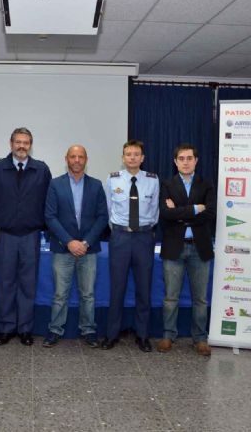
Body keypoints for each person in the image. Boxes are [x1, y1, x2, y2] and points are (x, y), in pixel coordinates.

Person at [0, 127, 52, 346]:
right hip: (4, 236)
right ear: (11, 143)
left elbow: (48, 204)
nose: (22, 146)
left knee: (28, 284)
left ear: (31, 145)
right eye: (18, 142)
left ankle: (25, 329)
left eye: (26, 142)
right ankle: (5, 328)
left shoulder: (41, 170)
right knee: (5, 283)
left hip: (31, 236)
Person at [42, 145, 108, 348]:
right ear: (67, 159)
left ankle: (88, 330)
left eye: (81, 156)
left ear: (86, 159)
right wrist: (69, 242)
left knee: (87, 294)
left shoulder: (96, 185)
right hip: (63, 249)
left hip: (89, 249)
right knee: (60, 294)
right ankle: (55, 330)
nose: (77, 160)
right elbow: (50, 216)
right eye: (73, 156)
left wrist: (85, 242)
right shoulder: (55, 184)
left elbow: (102, 217)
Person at [158, 144, 216, 356]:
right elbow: (165, 214)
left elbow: (209, 214)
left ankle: (200, 338)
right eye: (181, 158)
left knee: (200, 299)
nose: (185, 161)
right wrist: (193, 209)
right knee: (170, 297)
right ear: (175, 162)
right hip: (174, 247)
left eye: (189, 158)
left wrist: (179, 212)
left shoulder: (206, 184)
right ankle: (167, 335)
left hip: (199, 248)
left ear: (196, 160)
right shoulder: (167, 184)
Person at [102, 140, 159, 352]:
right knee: (117, 288)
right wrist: (120, 229)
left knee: (144, 289)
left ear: (142, 158)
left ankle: (143, 335)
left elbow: (154, 212)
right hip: (120, 238)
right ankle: (112, 334)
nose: (132, 157)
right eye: (128, 154)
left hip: (144, 238)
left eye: (136, 154)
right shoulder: (112, 179)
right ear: (123, 157)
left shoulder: (153, 180)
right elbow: (108, 209)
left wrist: (144, 229)